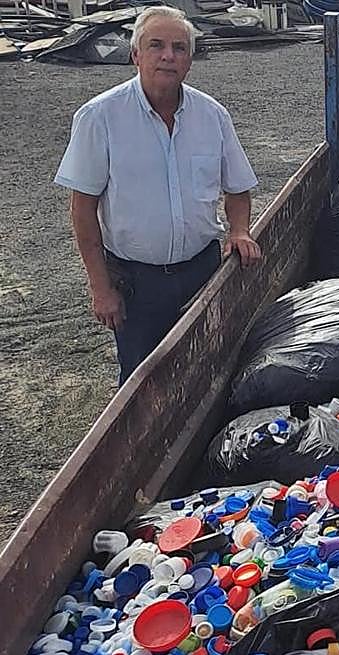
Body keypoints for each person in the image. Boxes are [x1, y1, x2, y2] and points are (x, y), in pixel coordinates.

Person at [54, 6, 261, 385]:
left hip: (203, 272)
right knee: (141, 382)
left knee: (207, 369)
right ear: (135, 55)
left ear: (190, 60)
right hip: (137, 283)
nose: (169, 56)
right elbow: (83, 210)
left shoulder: (212, 116)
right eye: (156, 46)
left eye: (180, 48)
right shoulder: (100, 118)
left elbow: (238, 188)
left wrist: (239, 231)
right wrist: (100, 287)